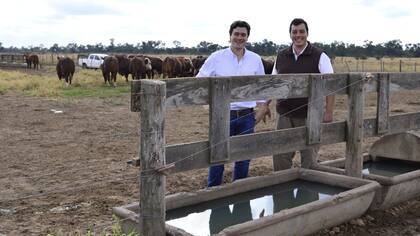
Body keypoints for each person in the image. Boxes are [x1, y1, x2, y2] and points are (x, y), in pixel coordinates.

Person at [197, 20, 271, 187]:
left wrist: (262, 108)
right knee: (218, 157)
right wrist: (210, 107)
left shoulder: (255, 59)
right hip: (223, 115)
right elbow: (199, 83)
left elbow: (260, 87)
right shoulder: (216, 58)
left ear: (247, 37)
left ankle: (239, 191)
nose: (239, 37)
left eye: (243, 35)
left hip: (246, 115)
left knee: (243, 157)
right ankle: (214, 192)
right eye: (236, 34)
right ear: (229, 36)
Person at [272, 18, 335, 170]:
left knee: (309, 158)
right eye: (294, 32)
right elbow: (272, 83)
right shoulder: (281, 56)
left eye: (301, 31)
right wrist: (265, 105)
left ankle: (307, 193)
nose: (298, 35)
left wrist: (328, 112)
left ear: (307, 33)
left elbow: (331, 85)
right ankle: (282, 191)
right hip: (284, 114)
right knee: (281, 155)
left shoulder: (320, 56)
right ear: (290, 34)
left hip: (311, 115)